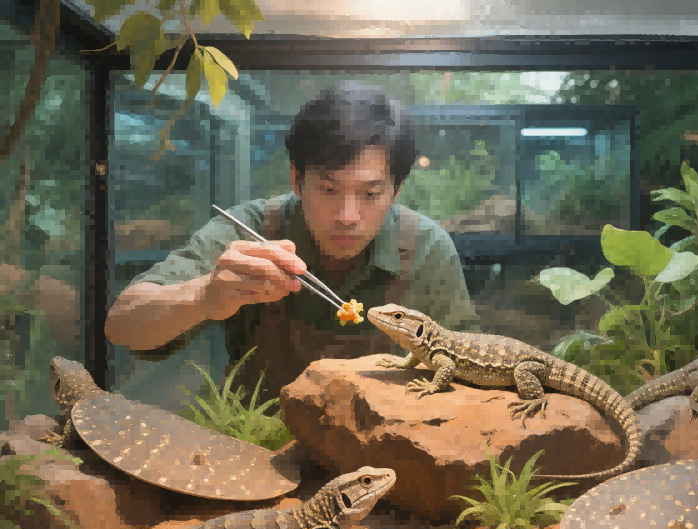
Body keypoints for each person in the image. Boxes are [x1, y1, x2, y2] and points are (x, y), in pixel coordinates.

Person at [105, 82, 479, 402]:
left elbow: (470, 370)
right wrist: (205, 296)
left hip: (386, 453)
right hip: (254, 446)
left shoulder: (427, 248)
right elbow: (122, 324)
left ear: (396, 189)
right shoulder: (250, 230)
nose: (347, 215)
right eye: (329, 188)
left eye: (370, 193)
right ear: (296, 179)